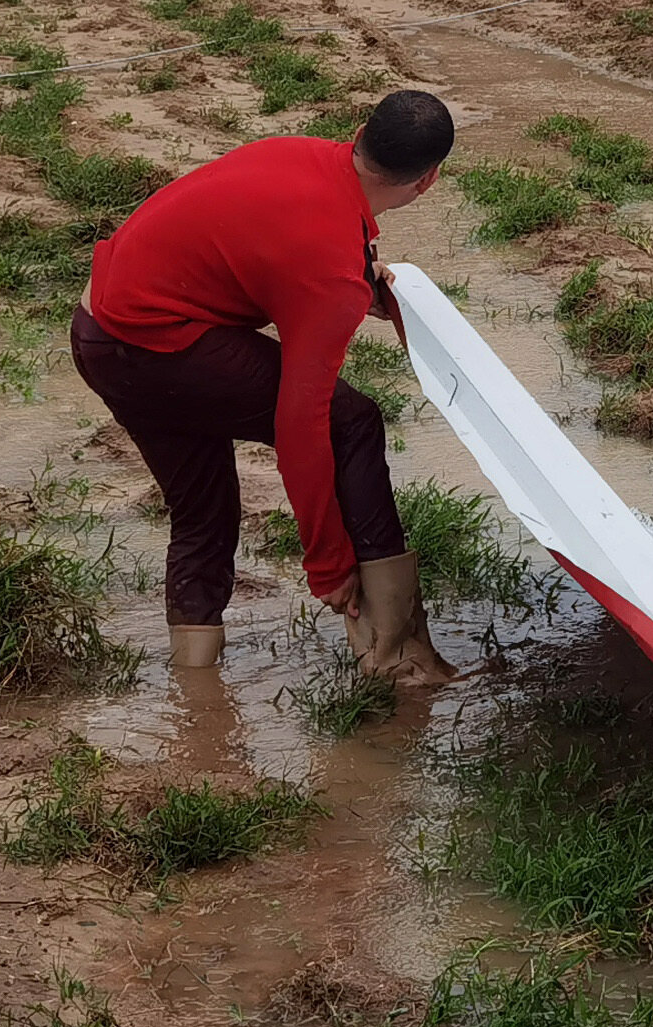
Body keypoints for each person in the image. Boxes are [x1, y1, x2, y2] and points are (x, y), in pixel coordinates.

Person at [70, 88, 462, 682]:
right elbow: (300, 425)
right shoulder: (331, 275)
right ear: (428, 181)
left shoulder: (293, 152)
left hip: (98, 334)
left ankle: (195, 690)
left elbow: (275, 232)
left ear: (358, 132)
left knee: (203, 511)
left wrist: (360, 264)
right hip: (163, 347)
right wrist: (326, 562)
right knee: (349, 421)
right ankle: (399, 659)